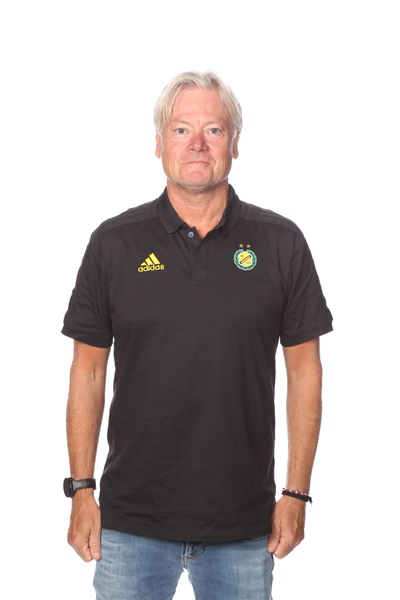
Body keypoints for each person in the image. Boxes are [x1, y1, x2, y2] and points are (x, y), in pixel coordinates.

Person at [62, 70, 333, 600]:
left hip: (244, 524)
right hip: (131, 522)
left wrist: (297, 493)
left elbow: (305, 371)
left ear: (235, 143)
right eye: (182, 129)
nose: (197, 144)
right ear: (159, 143)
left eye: (213, 129)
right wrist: (81, 490)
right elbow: (88, 371)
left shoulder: (281, 243)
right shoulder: (113, 243)